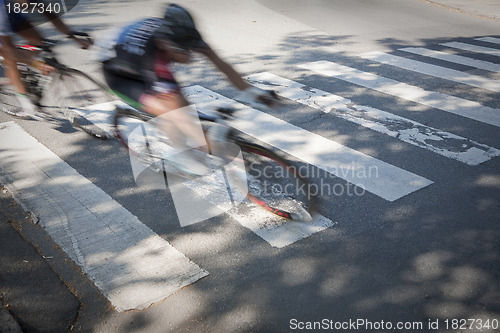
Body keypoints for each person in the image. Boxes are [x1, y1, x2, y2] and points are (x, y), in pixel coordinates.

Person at [95, 3, 277, 176]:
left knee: (182, 106)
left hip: (136, 55)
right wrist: (213, 146)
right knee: (170, 111)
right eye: (183, 51)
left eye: (189, 49)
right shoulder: (153, 58)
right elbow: (177, 110)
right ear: (165, 43)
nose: (189, 56)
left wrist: (250, 90)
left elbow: (219, 62)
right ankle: (179, 152)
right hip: (120, 75)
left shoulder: (183, 33)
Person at [0, 0, 91, 118]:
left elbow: (49, 13)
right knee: (10, 58)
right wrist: (38, 65)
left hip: (9, 12)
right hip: (2, 16)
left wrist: (74, 37)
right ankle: (26, 104)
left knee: (38, 41)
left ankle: (22, 67)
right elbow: (8, 49)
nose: (29, 4)